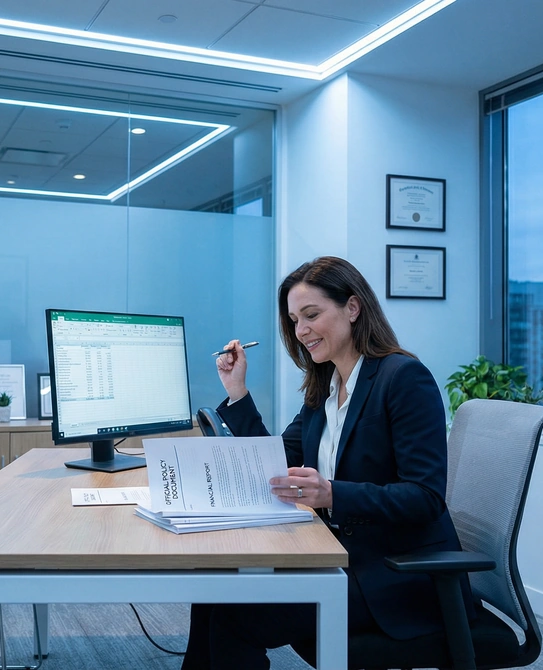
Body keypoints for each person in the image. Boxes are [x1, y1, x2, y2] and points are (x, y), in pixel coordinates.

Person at [182, 256, 475, 669]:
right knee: (215, 590)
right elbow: (276, 461)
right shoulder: (325, 387)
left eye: (311, 315)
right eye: (294, 320)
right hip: (336, 555)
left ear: (352, 308)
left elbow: (425, 497)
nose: (301, 331)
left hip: (394, 575)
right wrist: (237, 393)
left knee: (237, 619)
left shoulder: (403, 378)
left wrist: (333, 493)